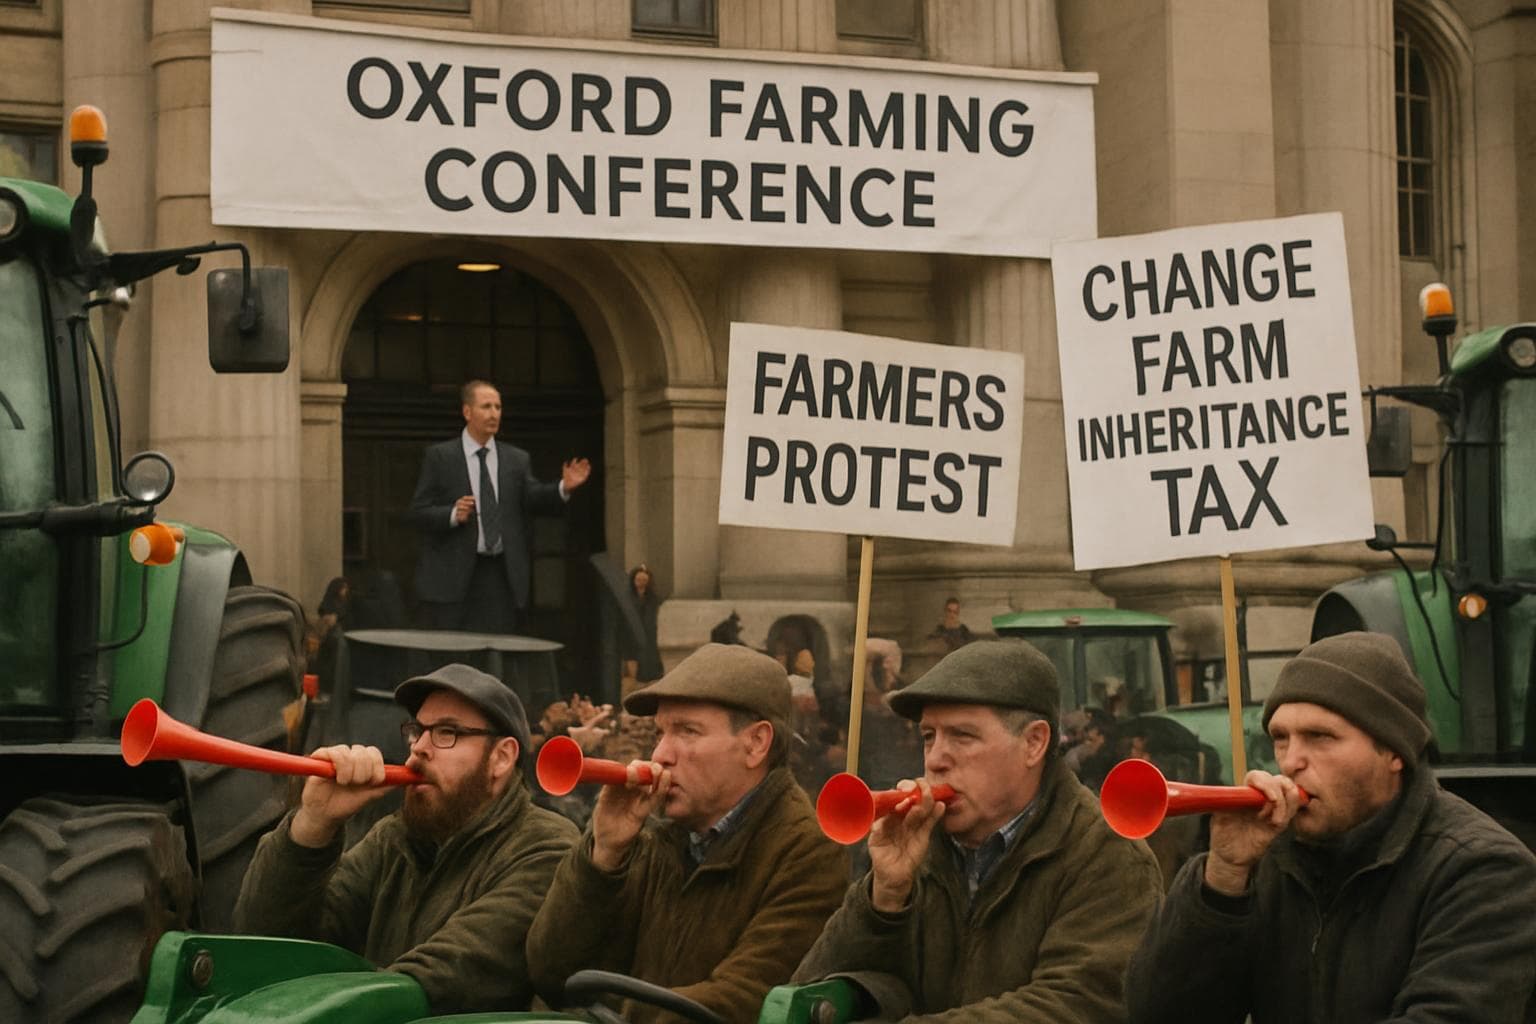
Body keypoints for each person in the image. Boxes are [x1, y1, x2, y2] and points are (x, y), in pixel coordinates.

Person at [1125, 632, 1536, 1023]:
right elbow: (1162, 1015)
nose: (1290, 762)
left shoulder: (1484, 871)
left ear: (1394, 751)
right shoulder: (1264, 861)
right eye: (1281, 738)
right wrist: (1222, 882)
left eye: (1320, 736)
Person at [794, 639, 1163, 1021]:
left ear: (1034, 743)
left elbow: (1077, 1005)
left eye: (962, 736)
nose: (935, 758)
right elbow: (808, 992)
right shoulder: (920, 844)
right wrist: (884, 897)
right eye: (928, 736)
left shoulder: (1107, 855)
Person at [526, 643, 846, 1022]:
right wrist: (603, 857)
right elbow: (550, 970)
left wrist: (613, 1013)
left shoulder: (808, 853)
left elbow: (741, 1000)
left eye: (687, 732)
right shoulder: (659, 839)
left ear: (756, 744)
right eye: (661, 732)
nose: (660, 753)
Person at [233, 664, 579, 1014]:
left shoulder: (546, 848)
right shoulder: (394, 838)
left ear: (501, 757)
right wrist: (313, 825)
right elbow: (268, 945)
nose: (419, 749)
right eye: (417, 731)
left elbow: (446, 975)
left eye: (447, 732)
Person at [410, 379, 591, 632]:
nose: (494, 413)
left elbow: (532, 497)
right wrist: (452, 514)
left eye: (498, 407)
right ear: (467, 412)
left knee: (496, 655)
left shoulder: (516, 459)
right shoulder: (441, 457)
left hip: (499, 574)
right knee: (454, 656)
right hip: (453, 577)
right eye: (486, 406)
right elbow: (418, 512)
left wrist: (564, 487)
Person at [619, 563, 664, 683]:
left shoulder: (652, 597)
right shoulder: (626, 596)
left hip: (648, 632)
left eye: (644, 580)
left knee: (649, 658)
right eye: (638, 579)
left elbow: (652, 616)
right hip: (630, 631)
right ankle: (634, 681)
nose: (641, 582)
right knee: (631, 656)